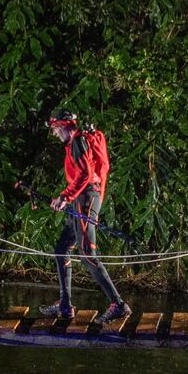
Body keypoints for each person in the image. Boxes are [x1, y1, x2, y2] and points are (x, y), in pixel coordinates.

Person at [40, 110, 131, 325]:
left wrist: (65, 196)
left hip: (86, 198)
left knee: (88, 254)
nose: (54, 133)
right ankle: (65, 305)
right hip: (81, 199)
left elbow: (85, 175)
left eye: (54, 129)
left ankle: (118, 304)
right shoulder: (77, 142)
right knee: (62, 249)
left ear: (63, 126)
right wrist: (67, 197)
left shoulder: (78, 142)